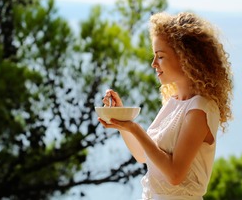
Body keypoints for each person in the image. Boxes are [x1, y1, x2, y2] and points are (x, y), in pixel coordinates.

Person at [98, 11, 233, 200]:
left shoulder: (200, 108)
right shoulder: (174, 103)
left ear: (186, 58)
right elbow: (143, 156)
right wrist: (123, 120)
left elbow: (175, 175)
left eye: (160, 56)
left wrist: (135, 129)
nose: (154, 64)